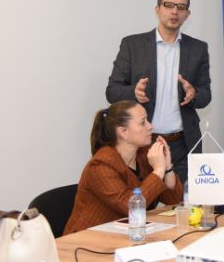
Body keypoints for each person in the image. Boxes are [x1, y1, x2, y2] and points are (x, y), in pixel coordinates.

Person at [105, 0, 211, 184]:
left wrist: (194, 94)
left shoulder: (198, 48)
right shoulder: (132, 45)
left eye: (181, 7)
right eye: (169, 5)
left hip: (182, 144)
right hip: (141, 143)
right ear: (157, 9)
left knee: (182, 199)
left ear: (187, 14)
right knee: (142, 198)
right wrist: (134, 93)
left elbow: (206, 94)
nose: (175, 11)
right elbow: (112, 92)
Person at [64, 100, 182, 234]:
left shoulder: (145, 155)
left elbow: (173, 200)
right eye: (142, 122)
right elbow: (129, 206)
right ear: (123, 131)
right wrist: (159, 170)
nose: (150, 126)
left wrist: (167, 167)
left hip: (126, 235)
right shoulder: (100, 165)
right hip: (85, 240)